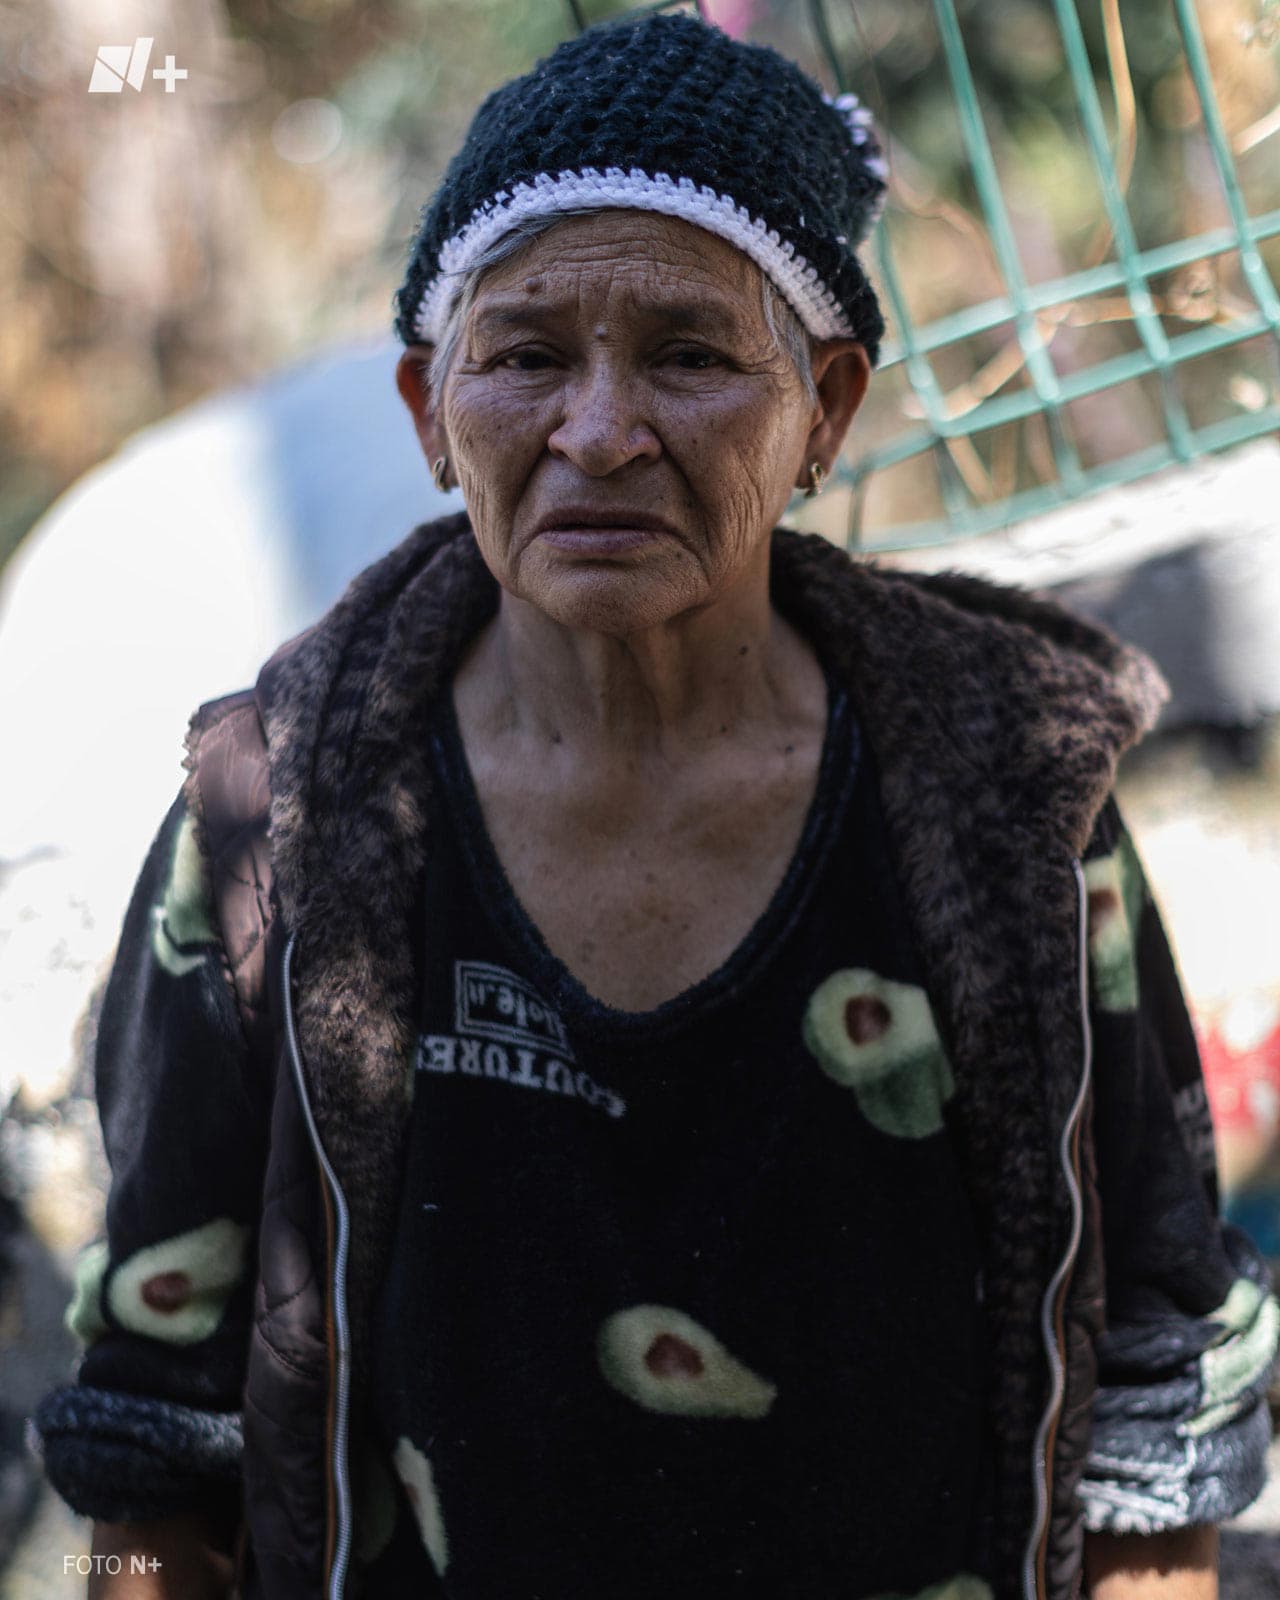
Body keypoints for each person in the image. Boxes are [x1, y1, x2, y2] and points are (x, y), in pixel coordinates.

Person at [30, 12, 1277, 1600]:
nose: (601, 432)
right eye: (527, 356)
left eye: (690, 355)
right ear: (430, 411)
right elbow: (155, 1413)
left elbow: (1164, 1379)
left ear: (824, 408)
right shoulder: (277, 815)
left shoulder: (1004, 792)